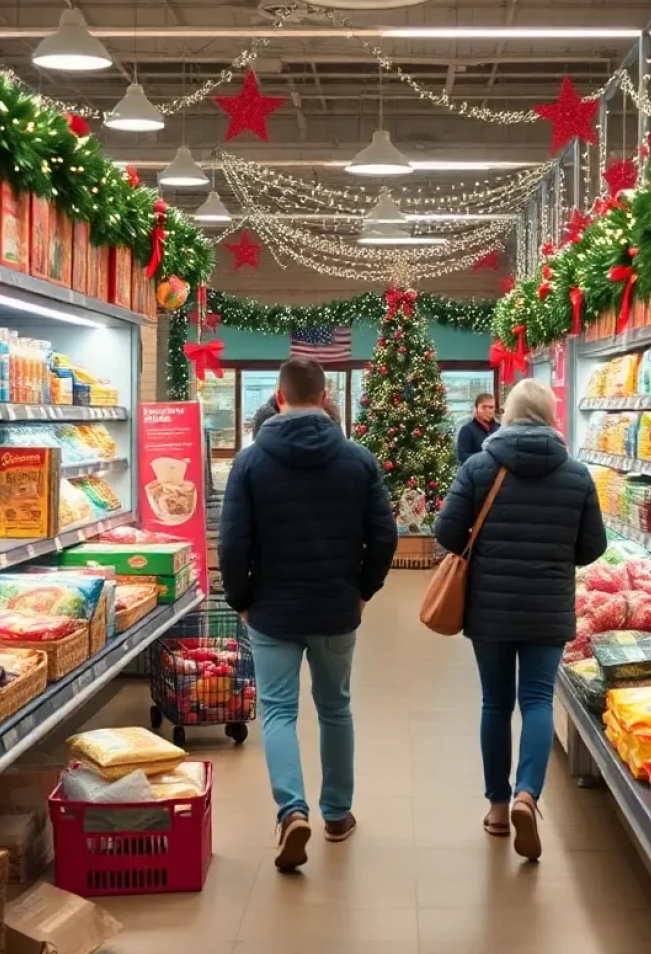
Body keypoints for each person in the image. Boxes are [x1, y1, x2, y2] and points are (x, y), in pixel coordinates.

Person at [219, 356, 398, 872]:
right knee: (335, 707)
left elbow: (232, 543)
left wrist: (241, 599)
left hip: (272, 609)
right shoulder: (359, 460)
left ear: (279, 399)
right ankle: (337, 816)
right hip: (336, 607)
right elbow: (384, 535)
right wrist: (363, 591)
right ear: (324, 399)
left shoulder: (249, 463)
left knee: (277, 711)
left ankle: (291, 810)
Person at [433, 379, 607, 862]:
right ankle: (528, 793)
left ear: (506, 414)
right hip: (548, 607)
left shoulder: (479, 466)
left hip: (489, 607)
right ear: (552, 416)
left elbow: (446, 532)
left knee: (495, 703)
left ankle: (496, 805)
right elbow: (594, 547)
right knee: (536, 700)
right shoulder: (575, 474)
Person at [455, 392, 500, 464]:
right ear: (476, 408)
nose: (488, 410)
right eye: (484, 407)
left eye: (491, 407)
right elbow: (462, 456)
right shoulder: (467, 430)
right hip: (476, 473)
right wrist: (485, 459)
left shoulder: (499, 429)